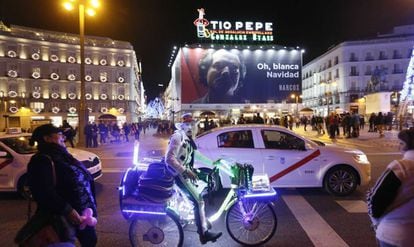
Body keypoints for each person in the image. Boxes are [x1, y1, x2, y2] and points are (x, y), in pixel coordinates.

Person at [27, 124, 98, 246]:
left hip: (82, 212)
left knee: (90, 240)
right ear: (47, 138)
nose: (63, 137)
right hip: (61, 216)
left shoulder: (64, 155)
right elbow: (43, 192)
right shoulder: (41, 160)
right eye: (59, 134)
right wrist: (68, 210)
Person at [165, 113, 222, 244]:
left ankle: (200, 218)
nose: (190, 127)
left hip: (184, 172)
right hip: (177, 175)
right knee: (199, 201)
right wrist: (185, 171)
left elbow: (198, 155)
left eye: (192, 124)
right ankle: (204, 234)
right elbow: (169, 158)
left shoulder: (189, 139)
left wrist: (213, 163)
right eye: (187, 124)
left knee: (201, 189)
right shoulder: (178, 137)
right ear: (182, 125)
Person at [367, 127, 414, 246]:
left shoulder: (402, 167)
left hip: (395, 234)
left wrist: (375, 222)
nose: (399, 146)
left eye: (402, 143)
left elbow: (375, 202)